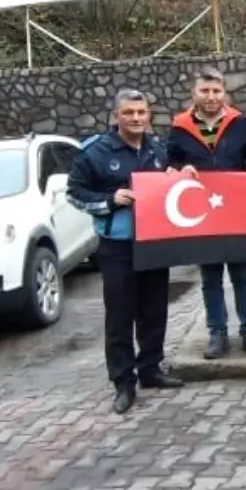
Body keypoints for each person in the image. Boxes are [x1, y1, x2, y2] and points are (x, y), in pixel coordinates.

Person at [67, 89, 184, 414]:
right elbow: (74, 194)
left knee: (154, 310)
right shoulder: (95, 152)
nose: (135, 118)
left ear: (149, 115)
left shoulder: (158, 149)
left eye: (141, 113)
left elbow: (169, 184)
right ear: (116, 115)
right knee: (120, 315)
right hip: (117, 245)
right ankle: (123, 382)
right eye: (129, 113)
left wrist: (179, 176)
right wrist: (107, 202)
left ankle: (150, 369)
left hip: (155, 241)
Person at [166, 68, 246, 360]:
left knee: (242, 274)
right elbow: (169, 161)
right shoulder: (180, 127)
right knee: (210, 276)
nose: (211, 97)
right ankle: (217, 333)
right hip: (201, 212)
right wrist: (176, 169)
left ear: (225, 93)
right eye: (205, 91)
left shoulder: (239, 124)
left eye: (216, 91)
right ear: (194, 93)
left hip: (234, 209)